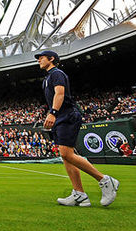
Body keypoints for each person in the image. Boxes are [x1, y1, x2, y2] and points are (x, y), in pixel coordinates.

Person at [35, 50, 119, 207]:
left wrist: (52, 113)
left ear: (52, 59)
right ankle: (79, 194)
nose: (39, 60)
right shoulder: (47, 78)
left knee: (66, 153)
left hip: (67, 116)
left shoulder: (57, 73)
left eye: (41, 57)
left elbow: (60, 93)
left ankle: (105, 180)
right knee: (65, 156)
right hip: (61, 118)